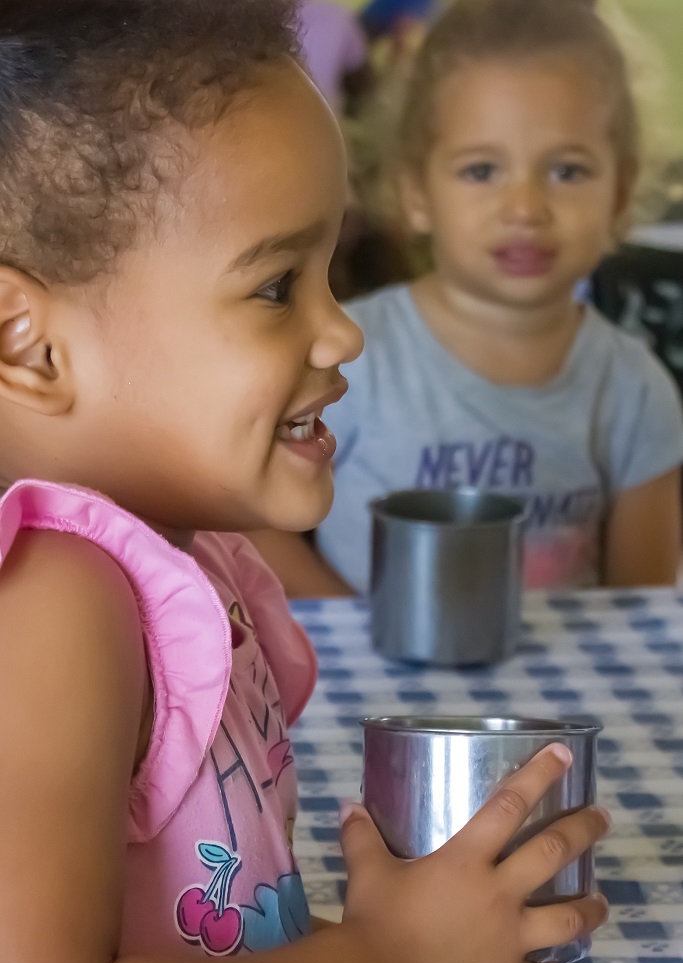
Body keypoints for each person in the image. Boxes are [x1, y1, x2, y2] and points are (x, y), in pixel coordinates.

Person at [0, 1, 609, 963]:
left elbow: (192, 942)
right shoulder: (56, 600)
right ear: (29, 346)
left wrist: (418, 953)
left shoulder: (170, 562)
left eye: (330, 273)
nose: (341, 333)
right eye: (278, 286)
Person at [252, 0, 683, 597]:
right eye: (482, 171)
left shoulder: (636, 392)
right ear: (416, 192)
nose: (525, 208)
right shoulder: (343, 356)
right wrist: (363, 625)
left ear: (620, 194)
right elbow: (251, 527)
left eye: (567, 171)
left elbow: (641, 605)